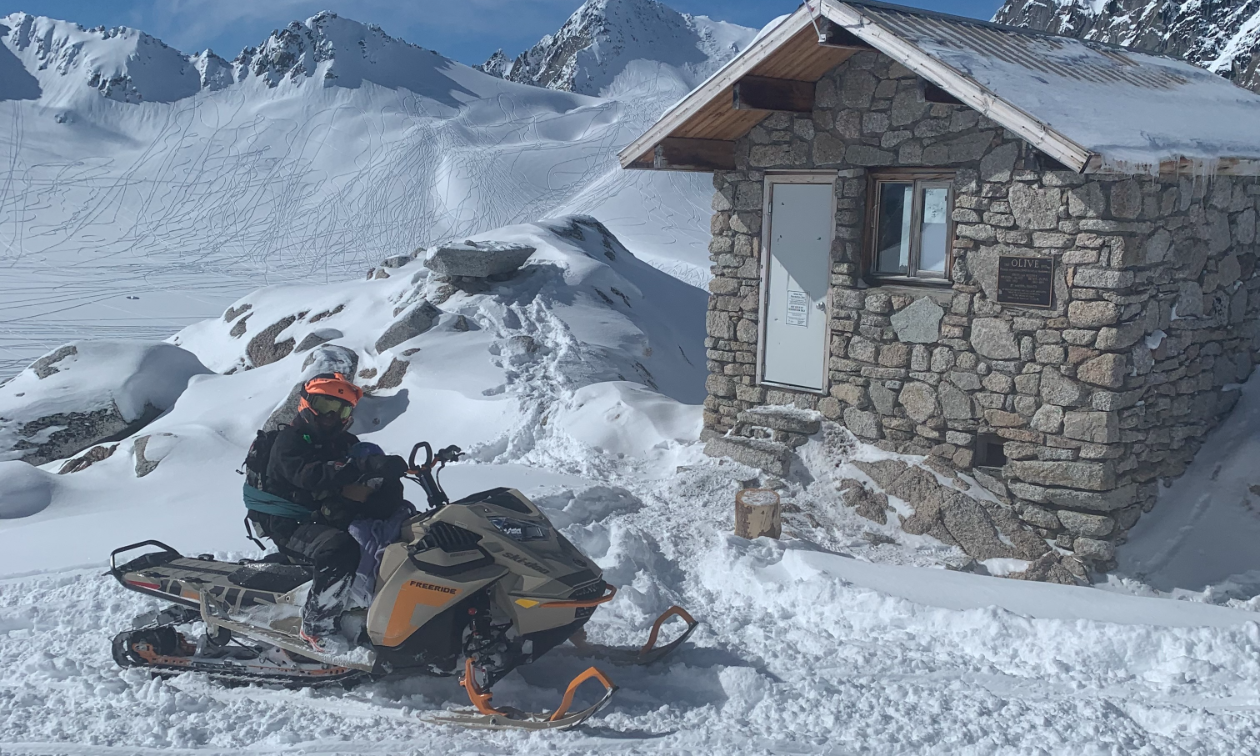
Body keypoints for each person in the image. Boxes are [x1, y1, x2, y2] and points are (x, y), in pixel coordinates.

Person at [246, 372, 408, 653]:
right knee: (340, 550)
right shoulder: (289, 441)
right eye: (324, 406)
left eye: (341, 409)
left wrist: (386, 481)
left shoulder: (345, 442)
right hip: (289, 522)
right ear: (308, 404)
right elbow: (311, 476)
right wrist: (363, 467)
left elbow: (363, 476)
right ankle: (317, 626)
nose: (331, 416)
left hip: (326, 515)